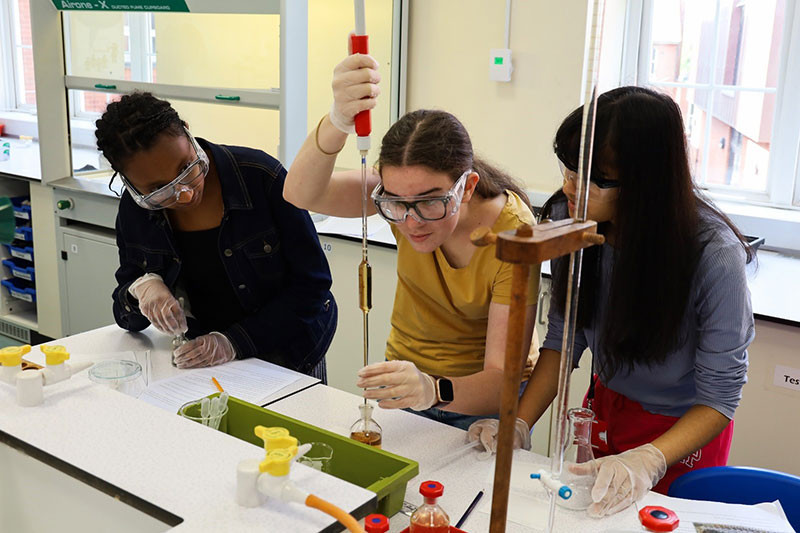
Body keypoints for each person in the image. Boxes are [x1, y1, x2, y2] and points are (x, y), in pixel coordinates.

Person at [469, 86, 755, 517]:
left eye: (591, 178)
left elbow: (719, 399)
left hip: (682, 433)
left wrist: (649, 458)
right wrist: (519, 423)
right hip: (606, 408)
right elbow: (563, 342)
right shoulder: (571, 221)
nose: (569, 186)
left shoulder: (712, 256)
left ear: (646, 182)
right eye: (567, 167)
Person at [284, 53, 539, 431]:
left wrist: (431, 389)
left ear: (466, 187)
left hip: (479, 404)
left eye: (430, 201)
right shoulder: (403, 195)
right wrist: (338, 120)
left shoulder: (515, 237)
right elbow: (300, 194)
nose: (412, 221)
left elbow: (500, 378)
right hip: (402, 387)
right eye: (396, 203)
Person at [96, 92, 337, 380]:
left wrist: (234, 341)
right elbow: (126, 317)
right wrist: (141, 291)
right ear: (127, 180)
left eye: (186, 168)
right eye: (159, 189)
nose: (184, 194)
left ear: (186, 130)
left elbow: (313, 286)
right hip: (202, 362)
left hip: (288, 355)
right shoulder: (135, 208)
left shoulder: (260, 177)